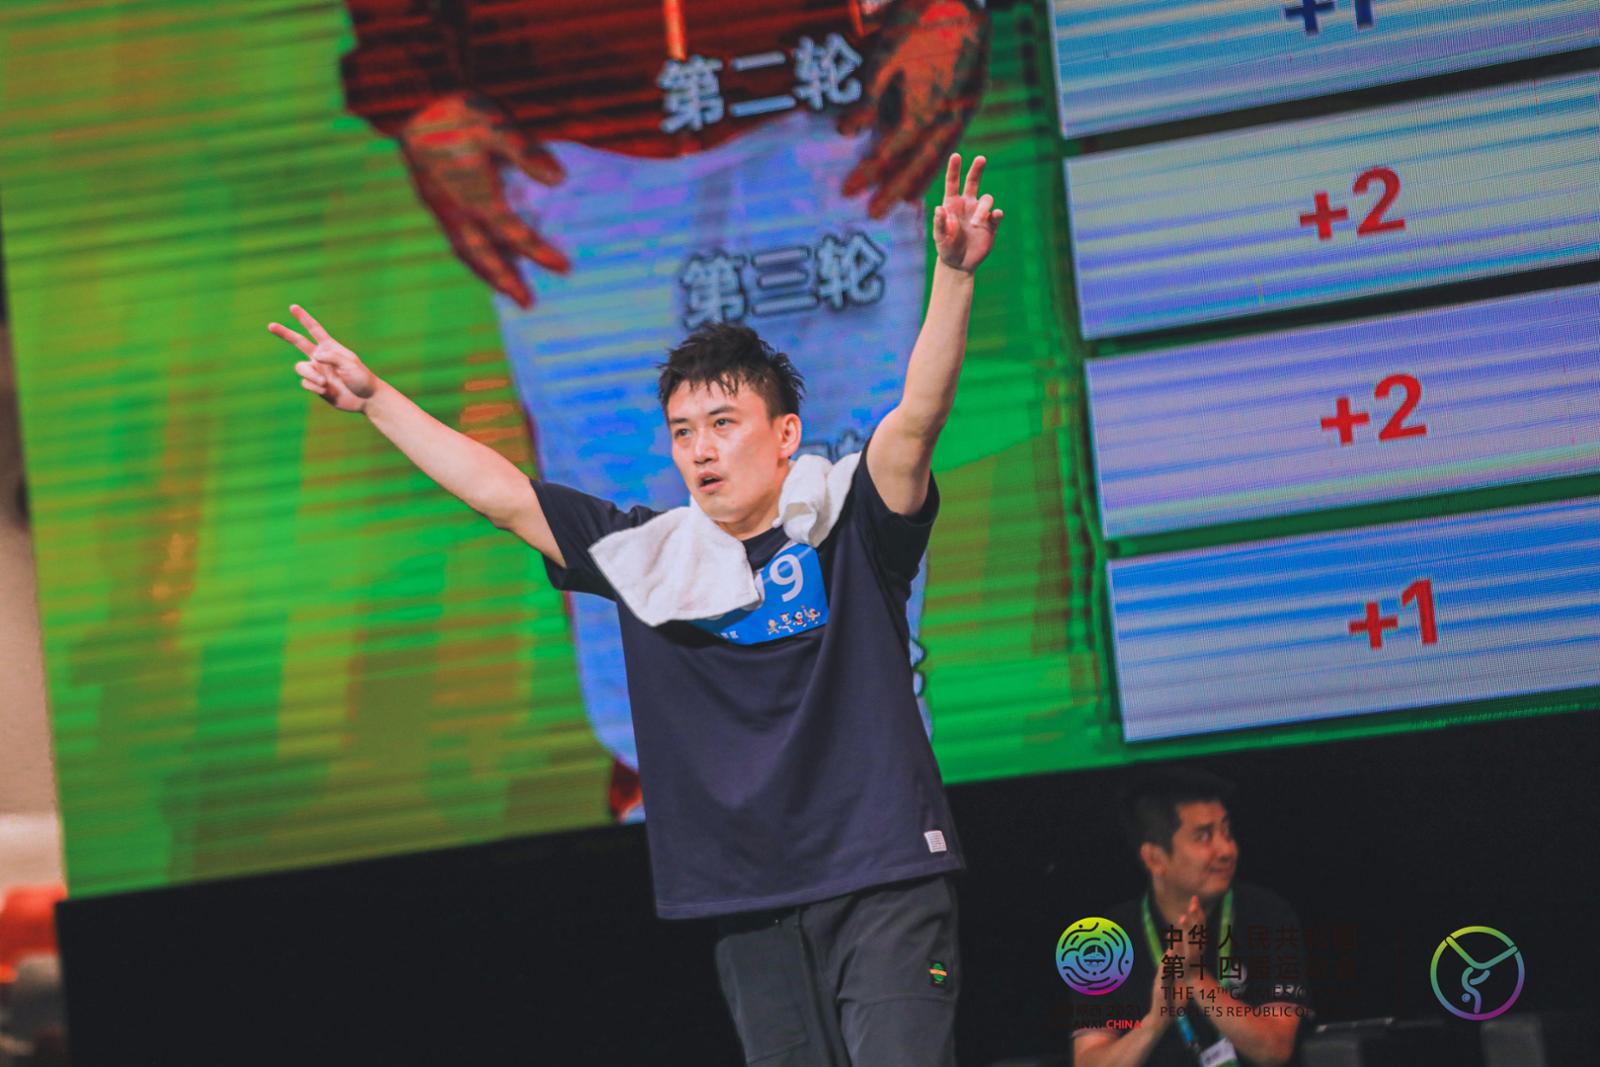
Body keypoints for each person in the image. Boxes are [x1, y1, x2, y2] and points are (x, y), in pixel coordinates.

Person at [270, 152, 1002, 1065]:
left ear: (785, 435)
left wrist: (953, 273)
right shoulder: (646, 553)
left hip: (885, 875)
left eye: (724, 424)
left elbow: (917, 417)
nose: (701, 449)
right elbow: (501, 493)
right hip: (751, 900)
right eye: (683, 431)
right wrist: (377, 399)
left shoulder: (851, 517)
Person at [336, 0, 993, 819]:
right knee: (627, 541)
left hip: (823, 97)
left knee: (855, 511)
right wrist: (413, 80)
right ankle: (670, 820)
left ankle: (879, 815)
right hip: (570, 132)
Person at [1069, 769, 1312, 1067]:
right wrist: (1155, 1023)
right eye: (1204, 837)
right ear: (1154, 858)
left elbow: (1275, 1049)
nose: (1227, 850)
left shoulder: (1268, 914)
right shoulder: (1102, 939)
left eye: (1226, 832)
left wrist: (1195, 976)